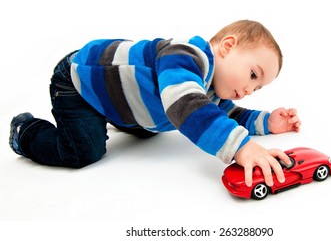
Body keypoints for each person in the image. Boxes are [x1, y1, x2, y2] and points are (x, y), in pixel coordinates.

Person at [9, 19, 301, 188]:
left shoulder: (213, 90)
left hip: (124, 98)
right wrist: (240, 146)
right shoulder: (186, 55)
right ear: (227, 47)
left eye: (258, 87)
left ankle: (117, 113)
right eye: (252, 75)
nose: (250, 89)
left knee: (154, 128)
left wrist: (267, 121)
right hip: (79, 81)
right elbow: (185, 102)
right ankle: (25, 132)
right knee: (82, 151)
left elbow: (227, 114)